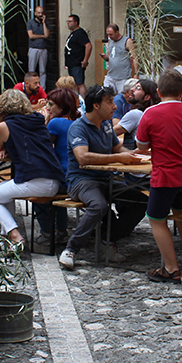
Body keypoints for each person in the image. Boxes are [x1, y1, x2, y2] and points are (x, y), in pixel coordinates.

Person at [57, 85, 148, 271]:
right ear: (96, 106)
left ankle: (108, 239)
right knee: (98, 205)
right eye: (110, 102)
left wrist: (132, 155)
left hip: (106, 179)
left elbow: (117, 148)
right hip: (81, 181)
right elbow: (82, 157)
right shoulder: (78, 128)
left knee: (141, 202)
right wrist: (119, 158)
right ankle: (71, 249)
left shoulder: (107, 125)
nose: (115, 106)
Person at [135, 69, 182, 284]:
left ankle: (170, 267)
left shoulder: (150, 113)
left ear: (158, 92)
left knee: (156, 219)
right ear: (181, 92)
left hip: (165, 174)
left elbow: (142, 146)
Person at [0, 90, 65, 247]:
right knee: (3, 189)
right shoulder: (38, 120)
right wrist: (8, 147)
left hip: (34, 180)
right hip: (53, 180)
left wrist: (4, 147)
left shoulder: (4, 126)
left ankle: (14, 235)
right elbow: (29, 142)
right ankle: (5, 239)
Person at [35, 87, 81, 243]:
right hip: (77, 178)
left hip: (65, 178)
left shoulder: (56, 122)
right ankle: (61, 230)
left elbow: (42, 147)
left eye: (51, 104)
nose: (49, 108)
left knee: (38, 191)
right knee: (53, 190)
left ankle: (47, 232)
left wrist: (45, 121)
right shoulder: (77, 122)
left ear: (62, 106)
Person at [115, 78, 159, 149]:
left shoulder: (135, 114)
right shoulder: (152, 113)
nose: (132, 89)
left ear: (147, 97)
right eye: (134, 87)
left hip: (136, 157)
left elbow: (109, 135)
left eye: (138, 88)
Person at [102, 23, 136, 93]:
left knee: (123, 96)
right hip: (111, 75)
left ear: (117, 32)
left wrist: (136, 73)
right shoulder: (110, 41)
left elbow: (134, 57)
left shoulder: (127, 41)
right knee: (106, 93)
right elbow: (110, 56)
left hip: (123, 77)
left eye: (111, 34)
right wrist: (105, 57)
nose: (109, 36)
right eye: (108, 34)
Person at [64, 15, 92, 95]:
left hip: (77, 63)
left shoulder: (80, 33)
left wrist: (85, 60)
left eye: (70, 21)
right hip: (72, 64)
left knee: (79, 83)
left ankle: (84, 101)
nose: (68, 23)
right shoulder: (73, 34)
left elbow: (88, 45)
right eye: (67, 21)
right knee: (74, 84)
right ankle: (77, 101)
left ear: (76, 22)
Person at [27, 5, 50, 77]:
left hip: (43, 49)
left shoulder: (46, 23)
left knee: (43, 71)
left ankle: (43, 87)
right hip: (33, 48)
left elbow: (47, 35)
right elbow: (31, 36)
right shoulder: (30, 23)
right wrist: (42, 36)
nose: (40, 14)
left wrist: (43, 23)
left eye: (42, 13)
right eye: (39, 13)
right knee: (31, 70)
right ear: (35, 13)